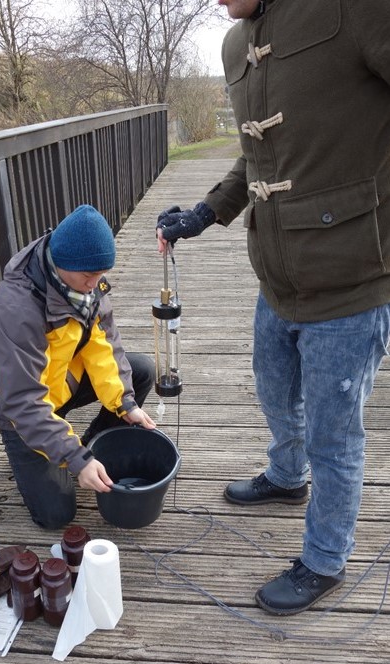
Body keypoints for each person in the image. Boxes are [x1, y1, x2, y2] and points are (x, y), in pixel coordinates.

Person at [157, 0, 390, 615]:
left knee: (333, 433)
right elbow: (257, 158)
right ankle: (288, 477)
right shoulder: (237, 45)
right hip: (276, 274)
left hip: (351, 280)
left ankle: (325, 558)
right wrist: (206, 212)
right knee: (272, 387)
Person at [0, 204, 156, 529]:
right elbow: (22, 402)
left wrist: (125, 403)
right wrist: (75, 460)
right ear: (61, 264)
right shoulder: (14, 309)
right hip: (20, 411)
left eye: (101, 275)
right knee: (56, 517)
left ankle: (91, 444)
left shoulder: (87, 288)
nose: (96, 284)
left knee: (141, 371)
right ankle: (63, 450)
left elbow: (105, 346)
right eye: (89, 276)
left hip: (62, 384)